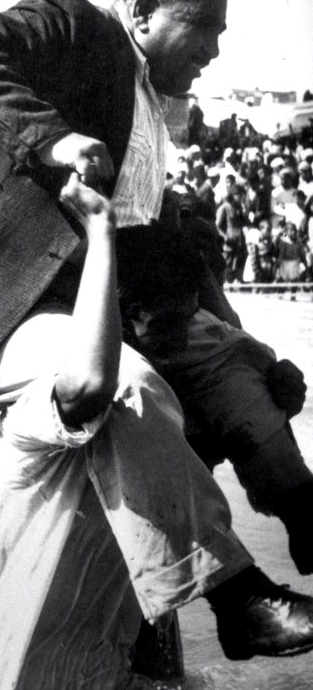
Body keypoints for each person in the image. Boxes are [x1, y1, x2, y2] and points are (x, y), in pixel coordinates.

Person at [0, 0, 313, 683]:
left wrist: (249, 360)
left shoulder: (156, 111)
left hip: (67, 312)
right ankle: (238, 595)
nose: (216, 47)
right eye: (205, 26)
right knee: (126, 385)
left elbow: (158, 263)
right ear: (143, 13)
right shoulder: (76, 24)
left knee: (235, 363)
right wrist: (51, 140)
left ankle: (308, 521)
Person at [117, 223, 313, 574]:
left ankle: (299, 508)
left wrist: (273, 382)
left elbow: (235, 345)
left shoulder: (205, 325)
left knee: (236, 372)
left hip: (200, 388)